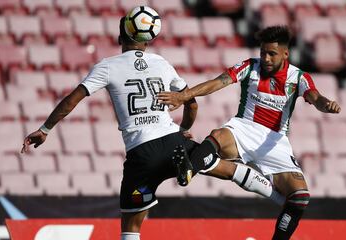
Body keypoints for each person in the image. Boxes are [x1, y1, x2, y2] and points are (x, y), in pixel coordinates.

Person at [21, 15, 283, 240]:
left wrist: (45, 129)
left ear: (121, 33)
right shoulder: (161, 63)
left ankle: (186, 169)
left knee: (131, 225)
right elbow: (191, 104)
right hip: (172, 141)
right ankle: (282, 200)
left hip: (141, 154)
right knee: (226, 169)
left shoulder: (107, 66)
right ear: (148, 40)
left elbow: (72, 100)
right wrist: (184, 131)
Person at [158, 25, 341, 240]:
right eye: (263, 52)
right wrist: (183, 96)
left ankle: (193, 159)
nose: (266, 58)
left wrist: (326, 104)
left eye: (271, 53)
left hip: (275, 141)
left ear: (285, 54)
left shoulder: (298, 78)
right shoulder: (250, 67)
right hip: (243, 128)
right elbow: (218, 83)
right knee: (219, 136)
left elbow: (315, 97)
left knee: (300, 197)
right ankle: (188, 171)